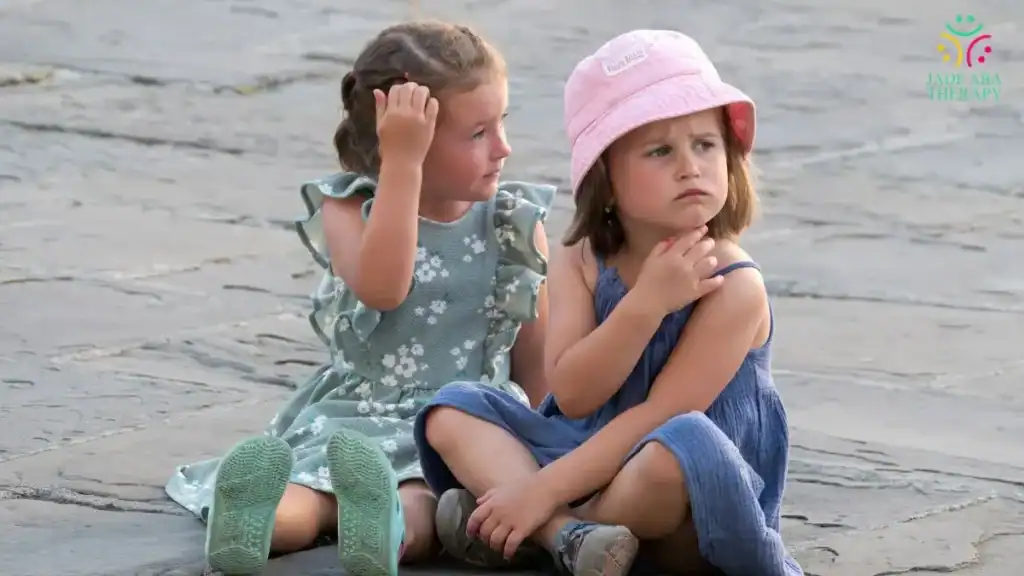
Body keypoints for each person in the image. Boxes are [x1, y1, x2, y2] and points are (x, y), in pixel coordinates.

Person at [163, 20, 556, 576]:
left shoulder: (513, 223)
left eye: (501, 125)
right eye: (477, 134)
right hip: (357, 416)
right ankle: (254, 520)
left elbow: (536, 352)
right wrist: (401, 170)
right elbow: (384, 287)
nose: (503, 148)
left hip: (467, 428)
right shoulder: (350, 208)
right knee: (315, 494)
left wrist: (546, 438)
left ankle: (381, 532)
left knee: (425, 494)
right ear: (404, 138)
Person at [415, 29, 805, 576]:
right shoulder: (581, 258)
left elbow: (661, 414)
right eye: (660, 150)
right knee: (453, 408)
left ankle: (530, 524)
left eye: (705, 144)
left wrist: (538, 489)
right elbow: (573, 395)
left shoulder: (735, 284)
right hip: (583, 448)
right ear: (607, 177)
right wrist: (644, 303)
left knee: (678, 447)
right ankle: (564, 538)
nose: (690, 166)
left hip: (677, 490)